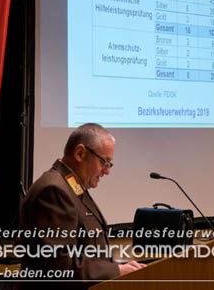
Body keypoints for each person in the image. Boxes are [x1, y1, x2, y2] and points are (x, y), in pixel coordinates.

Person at [19, 123, 145, 288]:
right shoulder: (54, 191)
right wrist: (116, 271)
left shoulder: (71, 188)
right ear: (80, 153)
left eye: (109, 164)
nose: (107, 171)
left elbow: (85, 253)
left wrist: (119, 266)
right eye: (104, 162)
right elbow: (60, 265)